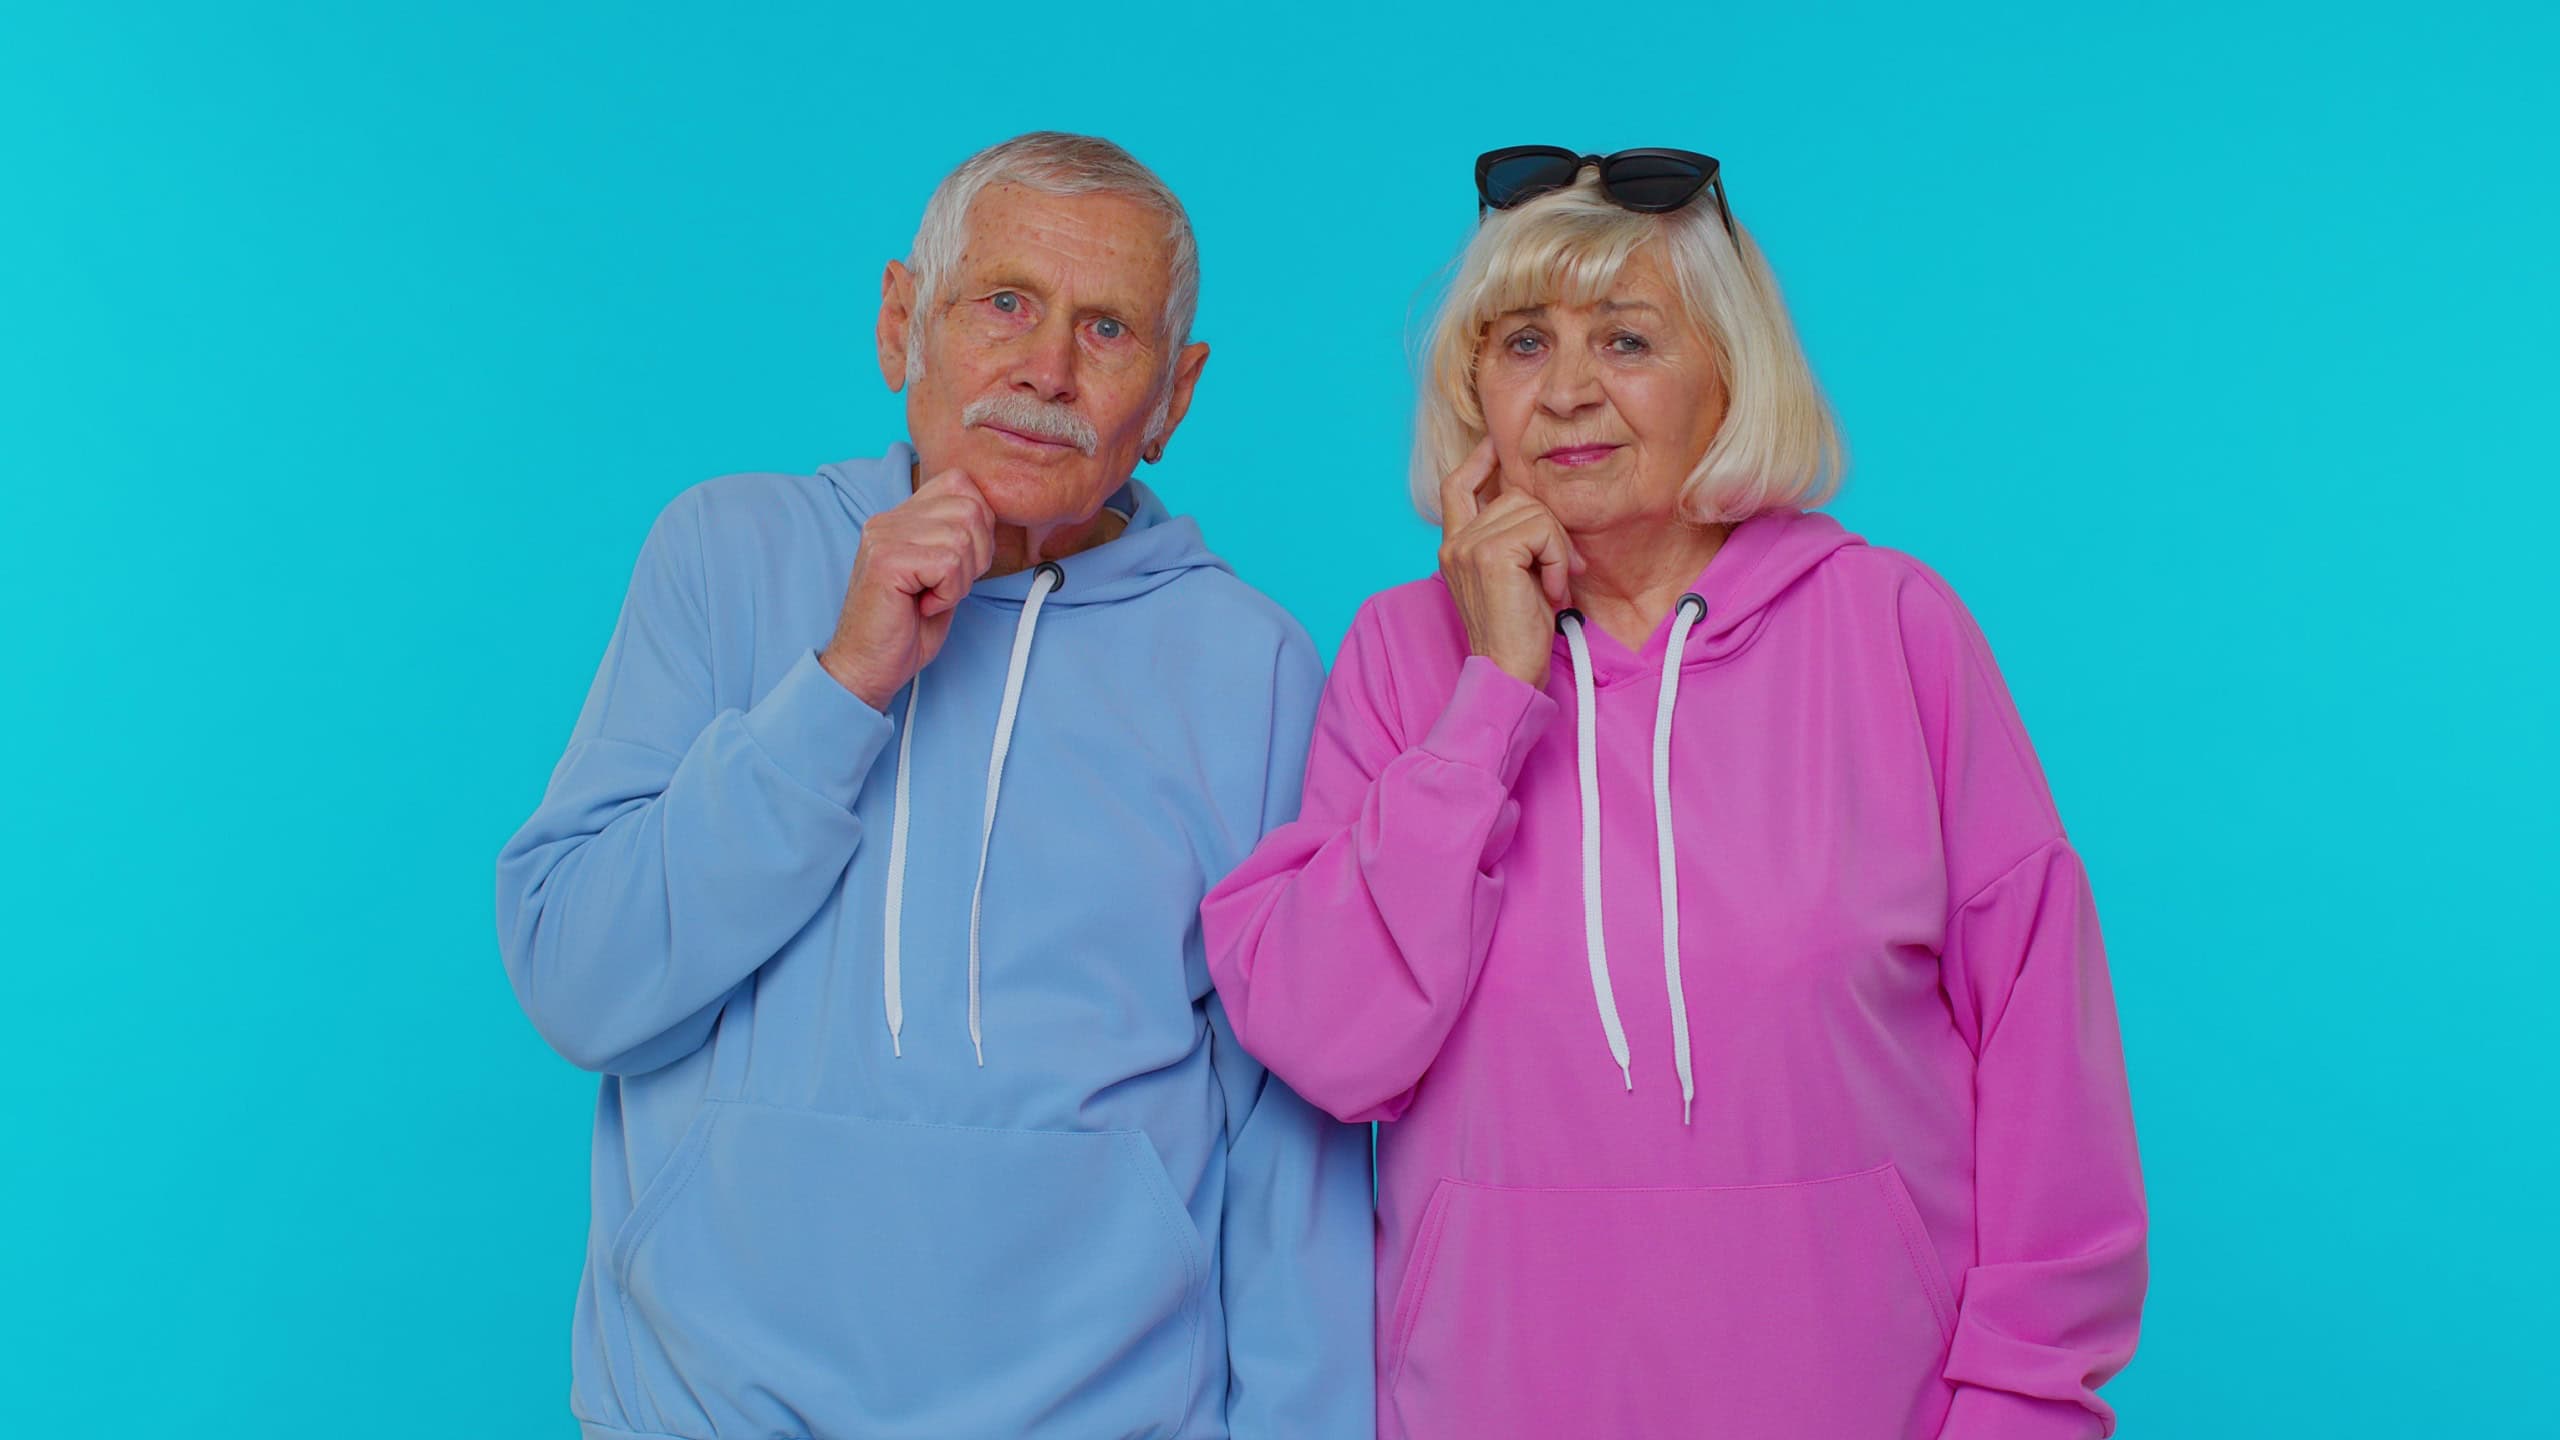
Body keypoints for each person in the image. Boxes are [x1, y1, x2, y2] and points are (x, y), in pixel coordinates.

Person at [1201, 147, 2146, 1439]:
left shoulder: (1896, 632)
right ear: (1473, 392)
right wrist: (1491, 695)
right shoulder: (1398, 656)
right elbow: (1329, 1043)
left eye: (1629, 339)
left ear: (1730, 379)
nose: (1571, 390)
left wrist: (2025, 1408)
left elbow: (2050, 1067)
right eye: (1523, 342)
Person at [497, 131, 1372, 1440]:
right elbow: (579, 982)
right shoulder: (725, 554)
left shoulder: (1254, 668)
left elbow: (1288, 1156)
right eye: (1005, 303)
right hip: (710, 1408)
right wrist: (843, 683)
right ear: (905, 319)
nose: (1047, 370)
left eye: (1108, 329)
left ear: (1174, 396)